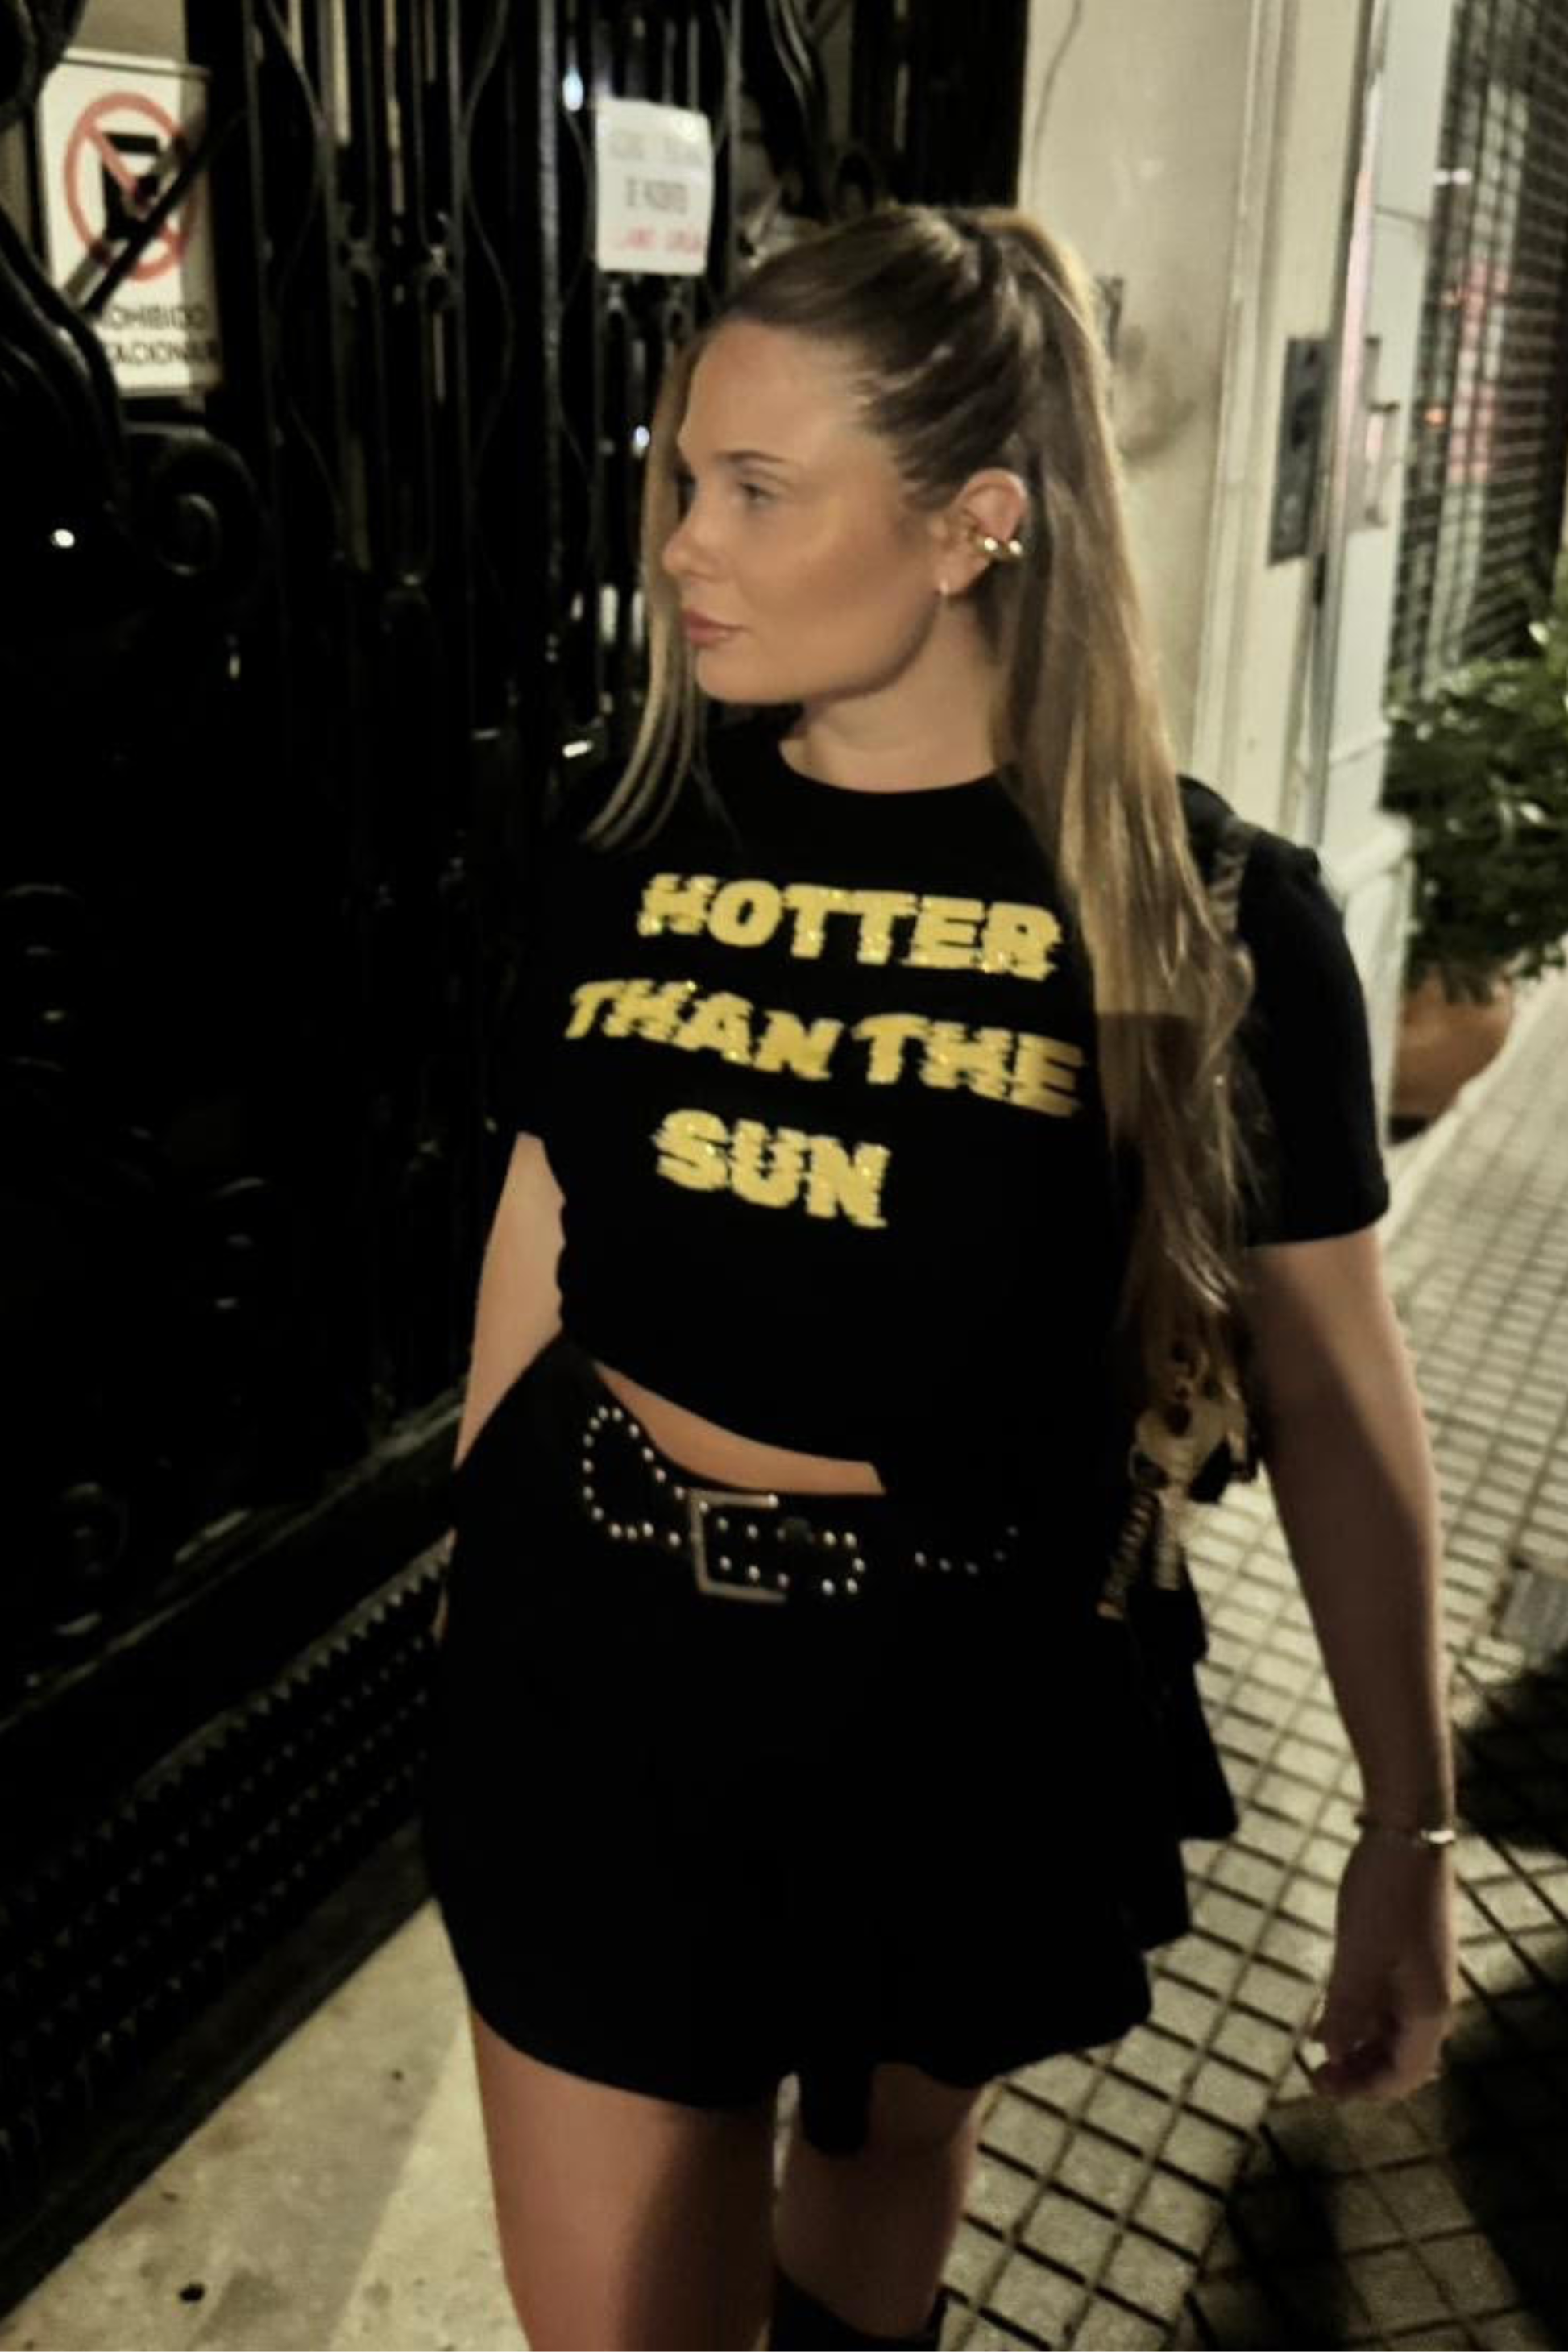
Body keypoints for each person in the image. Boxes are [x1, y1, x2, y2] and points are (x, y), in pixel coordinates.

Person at [418, 201, 1458, 2352]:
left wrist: (1410, 1828)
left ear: (977, 521)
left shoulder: (1199, 912)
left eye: (756, 490)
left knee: (880, 2188)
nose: (684, 547)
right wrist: (467, 1590)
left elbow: (1338, 1399)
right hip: (599, 1664)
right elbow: (547, 1216)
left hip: (970, 1699)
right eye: (684, 482)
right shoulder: (635, 835)